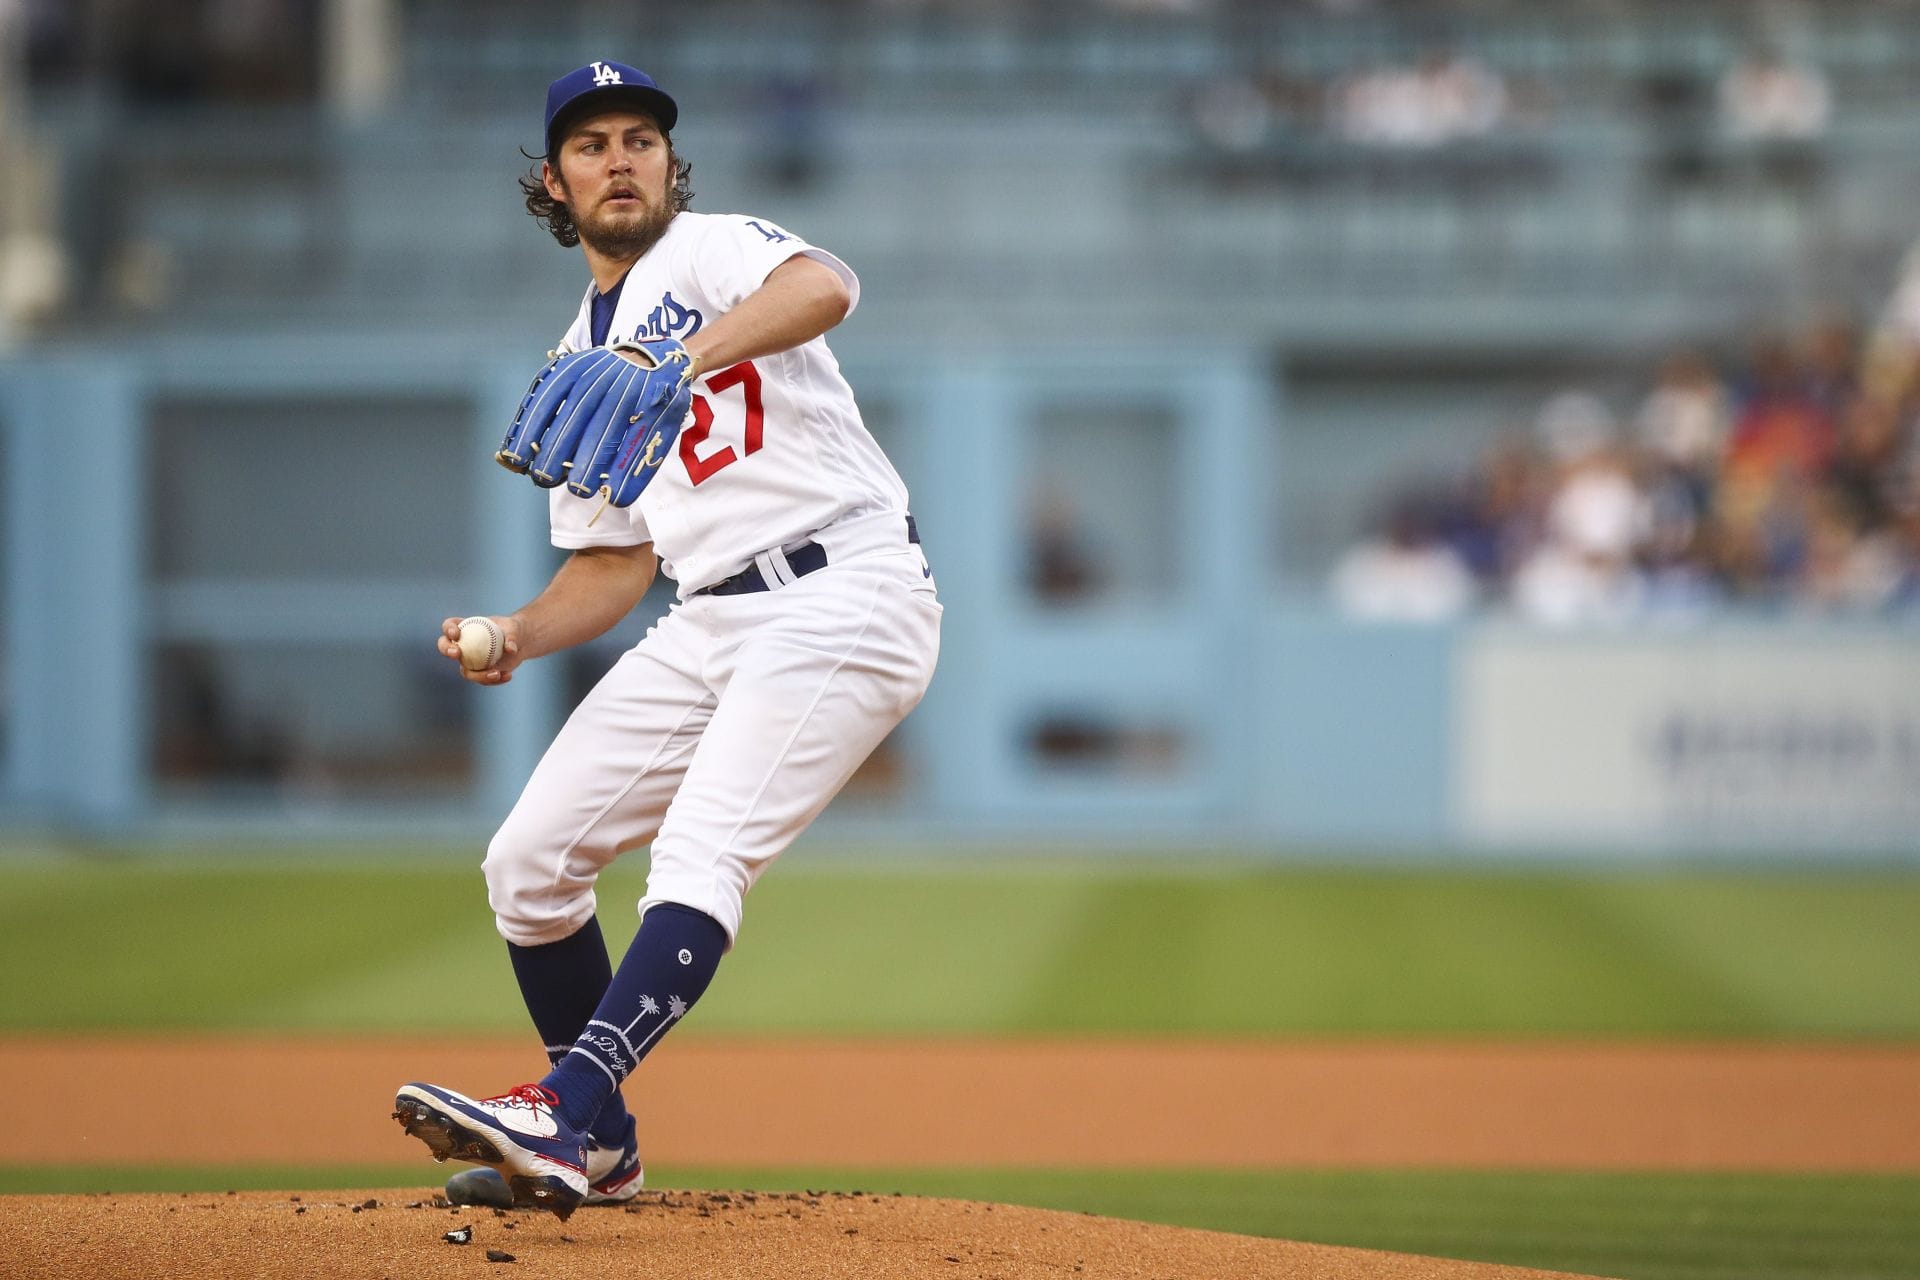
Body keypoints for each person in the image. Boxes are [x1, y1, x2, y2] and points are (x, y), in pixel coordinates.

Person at [391, 60, 942, 1218]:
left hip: (843, 587)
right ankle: (602, 1151)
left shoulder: (708, 252)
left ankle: (563, 1104)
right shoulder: (573, 354)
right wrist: (517, 633)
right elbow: (615, 561)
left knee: (698, 856)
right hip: (709, 612)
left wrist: (678, 353)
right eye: (592, 146)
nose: (621, 158)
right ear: (555, 181)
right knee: (529, 864)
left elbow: (828, 283)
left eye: (640, 137)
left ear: (668, 162)